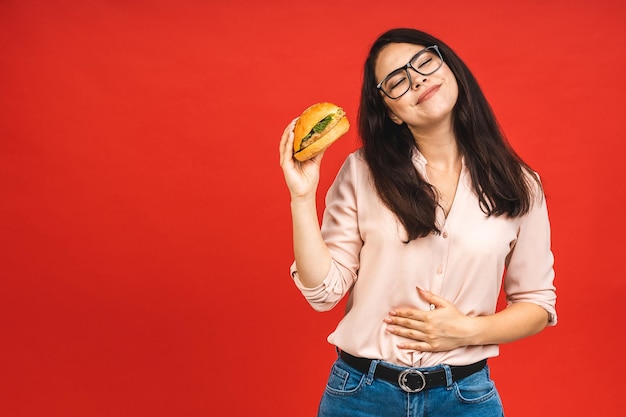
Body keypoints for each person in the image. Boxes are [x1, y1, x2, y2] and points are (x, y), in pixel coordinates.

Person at [278, 27, 556, 417]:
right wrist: (302, 197)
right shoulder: (362, 172)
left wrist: (465, 330)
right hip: (361, 396)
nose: (417, 80)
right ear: (391, 111)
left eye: (425, 62)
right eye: (397, 81)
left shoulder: (520, 184)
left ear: (451, 68)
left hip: (465, 397)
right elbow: (323, 293)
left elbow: (537, 304)